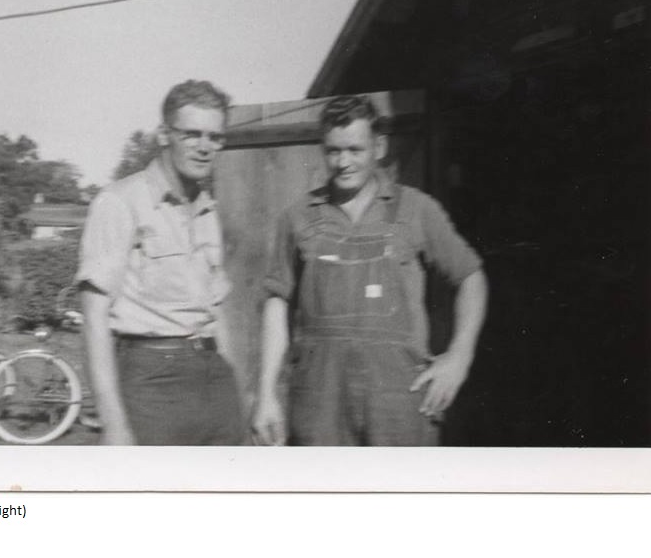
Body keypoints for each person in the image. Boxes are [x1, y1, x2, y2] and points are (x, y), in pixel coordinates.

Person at [252, 95, 488, 446]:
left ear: (379, 147)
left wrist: (460, 357)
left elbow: (471, 276)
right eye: (333, 151)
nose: (343, 162)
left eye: (354, 150)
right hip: (320, 405)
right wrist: (266, 394)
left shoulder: (416, 209)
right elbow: (277, 301)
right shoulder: (298, 217)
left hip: (397, 402)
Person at [77, 80, 245, 445]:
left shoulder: (207, 208)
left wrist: (234, 388)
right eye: (191, 134)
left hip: (213, 375)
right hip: (152, 380)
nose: (205, 147)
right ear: (164, 134)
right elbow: (94, 318)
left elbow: (217, 312)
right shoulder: (120, 202)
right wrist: (114, 425)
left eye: (215, 137)